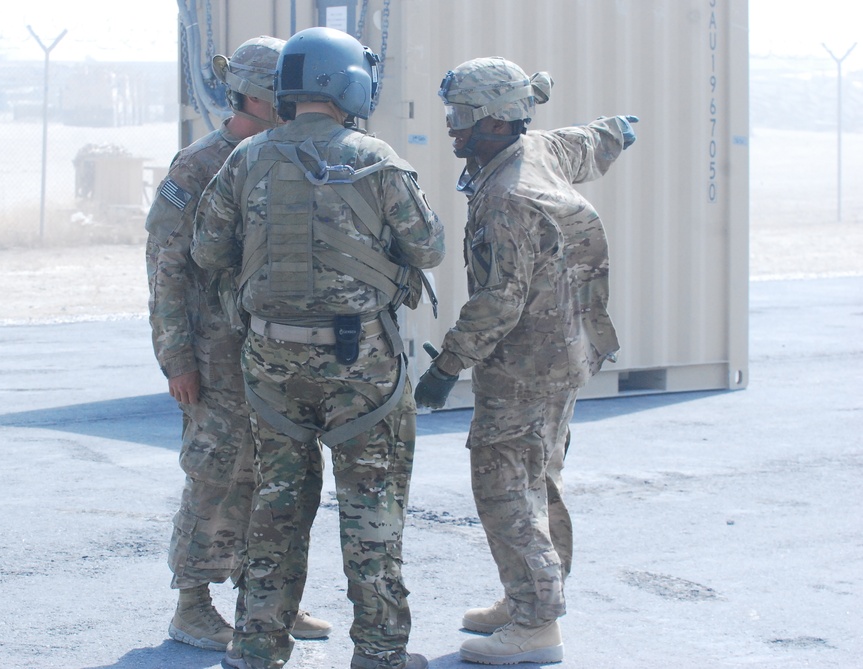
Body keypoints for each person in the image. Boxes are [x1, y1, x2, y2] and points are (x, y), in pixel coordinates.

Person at [192, 26, 444, 669]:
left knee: (277, 503)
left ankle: (255, 647)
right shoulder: (376, 158)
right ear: (348, 84)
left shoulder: (243, 161)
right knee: (372, 504)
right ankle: (380, 653)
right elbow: (430, 247)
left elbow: (206, 251)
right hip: (362, 367)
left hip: (271, 366)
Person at [414, 57, 638, 665]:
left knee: (503, 486)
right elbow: (582, 143)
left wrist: (446, 367)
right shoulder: (531, 149)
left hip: (525, 365)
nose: (452, 129)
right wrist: (616, 130)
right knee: (537, 478)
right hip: (563, 351)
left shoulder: (508, 197)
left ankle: (537, 626)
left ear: (493, 121)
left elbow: (499, 301)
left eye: (461, 118)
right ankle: (529, 599)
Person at [144, 35, 331, 652]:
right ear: (257, 93)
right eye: (287, 91)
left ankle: (267, 601)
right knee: (216, 474)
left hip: (278, 353)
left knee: (278, 476)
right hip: (215, 357)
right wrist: (176, 359)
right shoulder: (199, 164)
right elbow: (165, 267)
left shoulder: (287, 155)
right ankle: (192, 603)